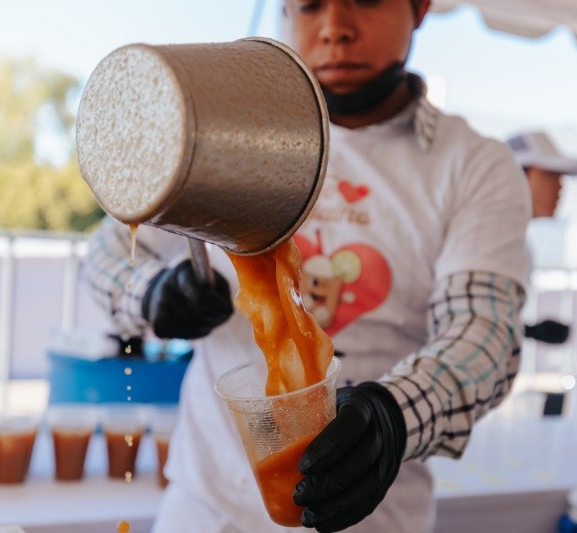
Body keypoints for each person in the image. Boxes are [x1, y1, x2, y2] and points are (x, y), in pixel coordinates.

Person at [82, 1, 531, 531]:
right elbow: (106, 253)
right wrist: (150, 293)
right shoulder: (223, 135)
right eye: (309, 5)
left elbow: (484, 332)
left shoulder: (473, 165)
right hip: (209, 506)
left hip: (375, 515)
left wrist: (394, 414)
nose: (335, 28)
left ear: (420, 7)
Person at [506, 131, 577, 346]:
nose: (561, 186)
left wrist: (530, 330)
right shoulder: (484, 239)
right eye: (551, 175)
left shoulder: (519, 246)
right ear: (516, 174)